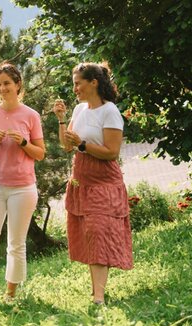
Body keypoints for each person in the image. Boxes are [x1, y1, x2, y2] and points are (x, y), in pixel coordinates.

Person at [53, 62, 133, 305]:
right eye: (74, 83)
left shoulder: (110, 111)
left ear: (93, 83)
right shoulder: (78, 111)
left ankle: (99, 297)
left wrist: (83, 144)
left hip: (104, 179)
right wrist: (61, 120)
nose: (75, 88)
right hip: (82, 178)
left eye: (78, 83)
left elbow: (112, 152)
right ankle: (96, 291)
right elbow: (68, 146)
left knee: (98, 231)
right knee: (90, 233)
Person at [0, 63, 45, 299]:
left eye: (6, 83)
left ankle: (11, 293)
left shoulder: (31, 115)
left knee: (16, 244)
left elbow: (40, 153)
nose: (2, 88)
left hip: (23, 188)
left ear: (18, 85)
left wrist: (24, 143)